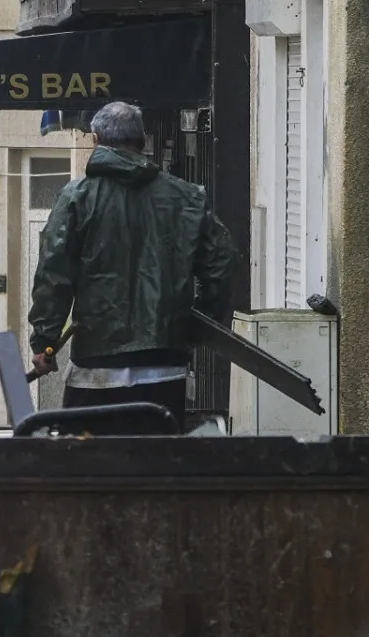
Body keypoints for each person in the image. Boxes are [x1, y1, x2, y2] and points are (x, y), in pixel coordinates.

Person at [28, 101, 235, 432]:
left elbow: (54, 274)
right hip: (164, 363)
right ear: (141, 143)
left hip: (96, 364)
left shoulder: (77, 197)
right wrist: (197, 325)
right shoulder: (187, 197)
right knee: (155, 466)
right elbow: (222, 264)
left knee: (86, 462)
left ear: (95, 139)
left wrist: (44, 340)